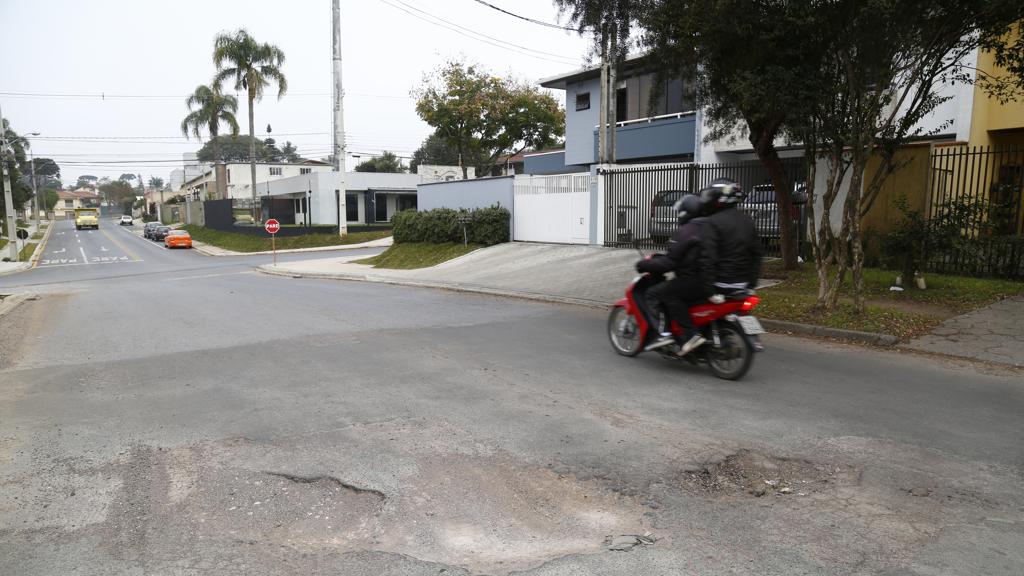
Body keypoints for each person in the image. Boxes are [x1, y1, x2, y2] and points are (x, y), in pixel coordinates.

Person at [635, 194, 709, 355]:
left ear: (685, 212)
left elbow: (669, 263)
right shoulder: (710, 227)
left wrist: (645, 264)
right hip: (714, 281)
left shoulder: (685, 231)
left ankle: (666, 334)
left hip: (694, 280)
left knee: (656, 293)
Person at [697, 178, 762, 298]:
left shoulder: (712, 222)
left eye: (710, 195)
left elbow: (708, 259)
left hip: (720, 285)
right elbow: (756, 255)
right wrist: (751, 284)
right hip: (743, 285)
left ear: (719, 198)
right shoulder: (747, 221)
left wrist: (709, 291)